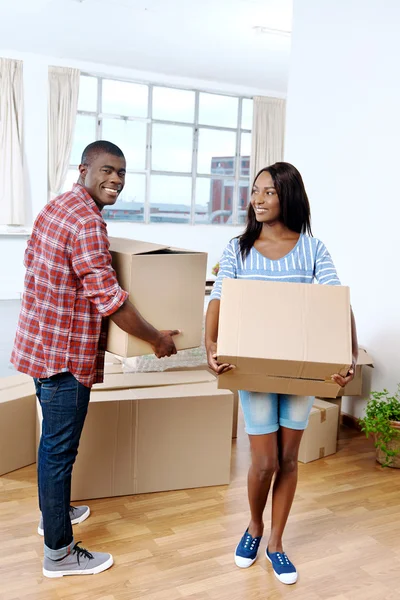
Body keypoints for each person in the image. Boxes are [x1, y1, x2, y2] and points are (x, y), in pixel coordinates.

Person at [11, 140, 180, 578]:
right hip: (65, 356)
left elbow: (32, 261)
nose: (116, 180)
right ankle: (59, 553)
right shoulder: (87, 222)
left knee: (53, 447)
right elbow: (112, 301)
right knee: (58, 452)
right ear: (84, 168)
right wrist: (157, 339)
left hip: (40, 345)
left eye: (122, 173)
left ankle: (56, 514)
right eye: (108, 170)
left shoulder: (57, 206)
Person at [205, 162, 358, 585]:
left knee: (289, 459)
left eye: (267, 192)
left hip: (298, 374)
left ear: (287, 195)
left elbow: (336, 304)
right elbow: (218, 299)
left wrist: (346, 356)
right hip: (250, 371)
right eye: (255, 191)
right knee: (264, 461)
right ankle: (254, 525)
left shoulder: (313, 250)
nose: (257, 199)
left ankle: (276, 542)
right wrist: (210, 346)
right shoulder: (238, 248)